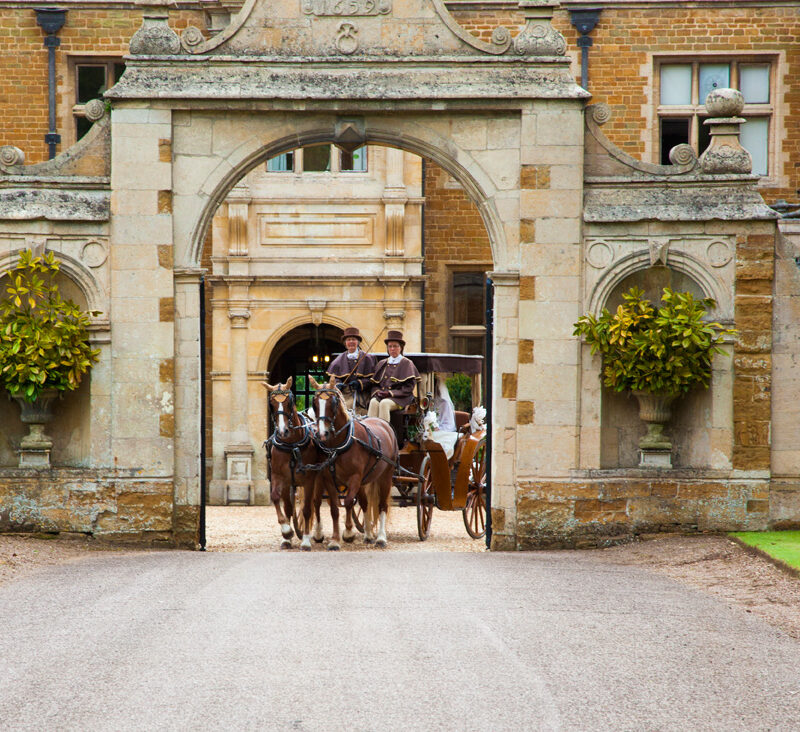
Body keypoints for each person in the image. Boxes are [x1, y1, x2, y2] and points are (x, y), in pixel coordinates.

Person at [368, 330, 420, 422]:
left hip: (401, 399)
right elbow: (375, 384)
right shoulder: (382, 363)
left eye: (395, 346)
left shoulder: (407, 363)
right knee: (373, 402)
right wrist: (377, 392)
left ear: (401, 348)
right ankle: (371, 431)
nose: (392, 349)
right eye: (390, 346)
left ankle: (384, 433)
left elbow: (409, 388)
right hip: (383, 395)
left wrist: (390, 393)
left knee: (384, 404)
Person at [326, 326, 376, 413]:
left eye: (354, 339)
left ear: (358, 342)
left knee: (351, 408)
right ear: (345, 343)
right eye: (349, 340)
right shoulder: (338, 359)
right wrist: (338, 384)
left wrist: (360, 383)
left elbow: (372, 379)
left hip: (361, 394)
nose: (351, 342)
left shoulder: (368, 358)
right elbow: (334, 378)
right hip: (344, 393)